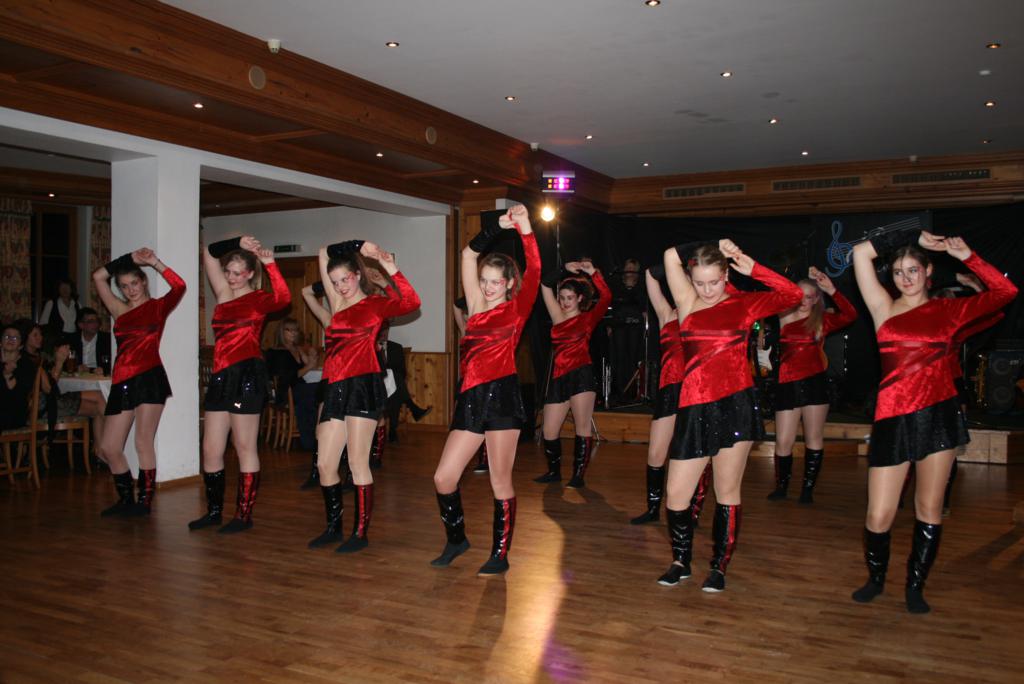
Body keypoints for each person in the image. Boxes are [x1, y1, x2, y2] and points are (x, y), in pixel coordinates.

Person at [849, 230, 1016, 613]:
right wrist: (913, 235)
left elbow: (1006, 293)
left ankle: (915, 585)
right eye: (897, 272)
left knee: (928, 507)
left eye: (913, 270)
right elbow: (859, 253)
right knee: (879, 513)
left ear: (928, 272)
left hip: (938, 416)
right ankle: (876, 579)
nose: (905, 278)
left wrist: (968, 256)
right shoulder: (882, 308)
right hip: (892, 418)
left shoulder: (949, 310)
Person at [659, 240, 802, 592]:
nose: (707, 290)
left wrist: (752, 267)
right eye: (699, 282)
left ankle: (718, 567)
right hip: (694, 406)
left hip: (735, 406)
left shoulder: (744, 303)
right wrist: (708, 245)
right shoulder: (686, 301)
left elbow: (793, 295)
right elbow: (668, 256)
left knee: (726, 490)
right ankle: (681, 561)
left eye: (714, 281)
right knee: (676, 495)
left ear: (726, 276)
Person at [431, 204, 539, 576]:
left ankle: (499, 553)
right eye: (484, 280)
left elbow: (535, 268)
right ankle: (456, 539)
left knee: (499, 480)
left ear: (508, 283)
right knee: (443, 477)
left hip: (503, 397)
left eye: (495, 281)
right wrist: (495, 227)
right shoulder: (476, 307)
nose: (488, 287)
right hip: (471, 398)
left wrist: (525, 229)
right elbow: (467, 254)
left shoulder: (517, 309)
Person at [306, 239, 420, 552]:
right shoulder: (336, 303)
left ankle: (360, 533)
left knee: (357, 462)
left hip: (363, 385)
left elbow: (412, 302)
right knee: (325, 464)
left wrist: (387, 264)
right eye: (334, 282)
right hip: (334, 386)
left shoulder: (375, 304)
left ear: (358, 275)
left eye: (345, 279)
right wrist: (355, 243)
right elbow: (322, 252)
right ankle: (333, 528)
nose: (340, 286)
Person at [189, 236, 290, 534]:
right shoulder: (223, 294)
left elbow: (284, 299)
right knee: (211, 449)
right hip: (221, 376)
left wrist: (270, 264)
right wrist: (236, 241)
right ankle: (213, 512)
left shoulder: (258, 299)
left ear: (249, 274)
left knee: (244, 445)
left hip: (247, 374)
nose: (231, 277)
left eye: (237, 273)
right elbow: (208, 253)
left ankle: (243, 515)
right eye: (228, 272)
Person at [91, 248, 185, 516]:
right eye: (124, 286)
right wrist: (129, 258)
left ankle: (144, 501)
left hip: (149, 378)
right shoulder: (118, 309)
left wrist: (155, 262)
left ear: (143, 282)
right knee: (109, 447)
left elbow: (180, 286)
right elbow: (98, 276)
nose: (130, 290)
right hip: (122, 380)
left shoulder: (157, 307)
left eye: (134, 283)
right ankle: (126, 500)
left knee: (143, 442)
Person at [629, 267, 712, 526]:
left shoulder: (705, 312)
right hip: (668, 389)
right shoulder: (667, 313)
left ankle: (693, 511)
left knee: (695, 453)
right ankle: (653, 509)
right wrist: (673, 260)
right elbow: (650, 276)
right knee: (655, 453)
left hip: (696, 390)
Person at [767, 266, 856, 503]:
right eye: (799, 295)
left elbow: (850, 315)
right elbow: (772, 291)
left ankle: (807, 490)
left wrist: (832, 290)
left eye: (808, 297)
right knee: (783, 440)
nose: (803, 301)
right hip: (787, 383)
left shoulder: (821, 320)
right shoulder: (784, 315)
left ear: (816, 299)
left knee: (813, 437)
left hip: (815, 382)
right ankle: (782, 487)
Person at [534, 259, 611, 487]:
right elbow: (544, 285)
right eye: (562, 298)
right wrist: (562, 270)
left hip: (581, 375)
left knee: (582, 426)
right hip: (559, 378)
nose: (565, 302)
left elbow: (606, 297)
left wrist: (593, 273)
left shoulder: (588, 318)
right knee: (549, 430)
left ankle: (578, 476)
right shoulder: (557, 316)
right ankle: (554, 472)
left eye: (569, 298)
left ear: (579, 298)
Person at [265, 318, 320, 451]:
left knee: (319, 391)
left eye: (295, 330)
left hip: (298, 389)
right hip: (286, 391)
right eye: (289, 330)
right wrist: (309, 366)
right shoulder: (277, 352)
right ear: (281, 332)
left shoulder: (296, 349)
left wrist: (312, 356)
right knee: (319, 390)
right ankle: (313, 439)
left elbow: (310, 366)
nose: (293, 333)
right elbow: (289, 377)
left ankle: (315, 437)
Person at [455, 296, 489, 474]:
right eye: (466, 314)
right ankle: (461, 457)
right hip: (465, 382)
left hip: (482, 382)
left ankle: (484, 459)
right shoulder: (464, 330)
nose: (468, 317)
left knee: (483, 419)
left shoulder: (485, 331)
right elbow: (456, 305)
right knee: (464, 420)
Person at [608, 257, 647, 402]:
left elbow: (643, 306)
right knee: (619, 357)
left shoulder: (641, 286)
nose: (630, 271)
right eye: (628, 268)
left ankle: (632, 391)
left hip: (635, 327)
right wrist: (610, 325)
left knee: (633, 357)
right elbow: (612, 306)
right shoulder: (617, 285)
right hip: (619, 326)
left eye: (633, 269)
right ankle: (619, 391)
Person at [1, 324, 39, 431]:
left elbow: (19, 395)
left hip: (13, 414)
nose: (10, 339)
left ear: (21, 345)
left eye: (15, 338)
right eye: (7, 336)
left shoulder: (26, 364)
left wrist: (8, 375)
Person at [70, 308, 112, 374]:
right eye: (91, 321)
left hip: (97, 376)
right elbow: (64, 363)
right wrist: (76, 367)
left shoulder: (107, 339)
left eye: (97, 321)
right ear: (81, 325)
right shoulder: (72, 340)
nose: (95, 324)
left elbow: (112, 363)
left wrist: (103, 369)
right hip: (77, 376)